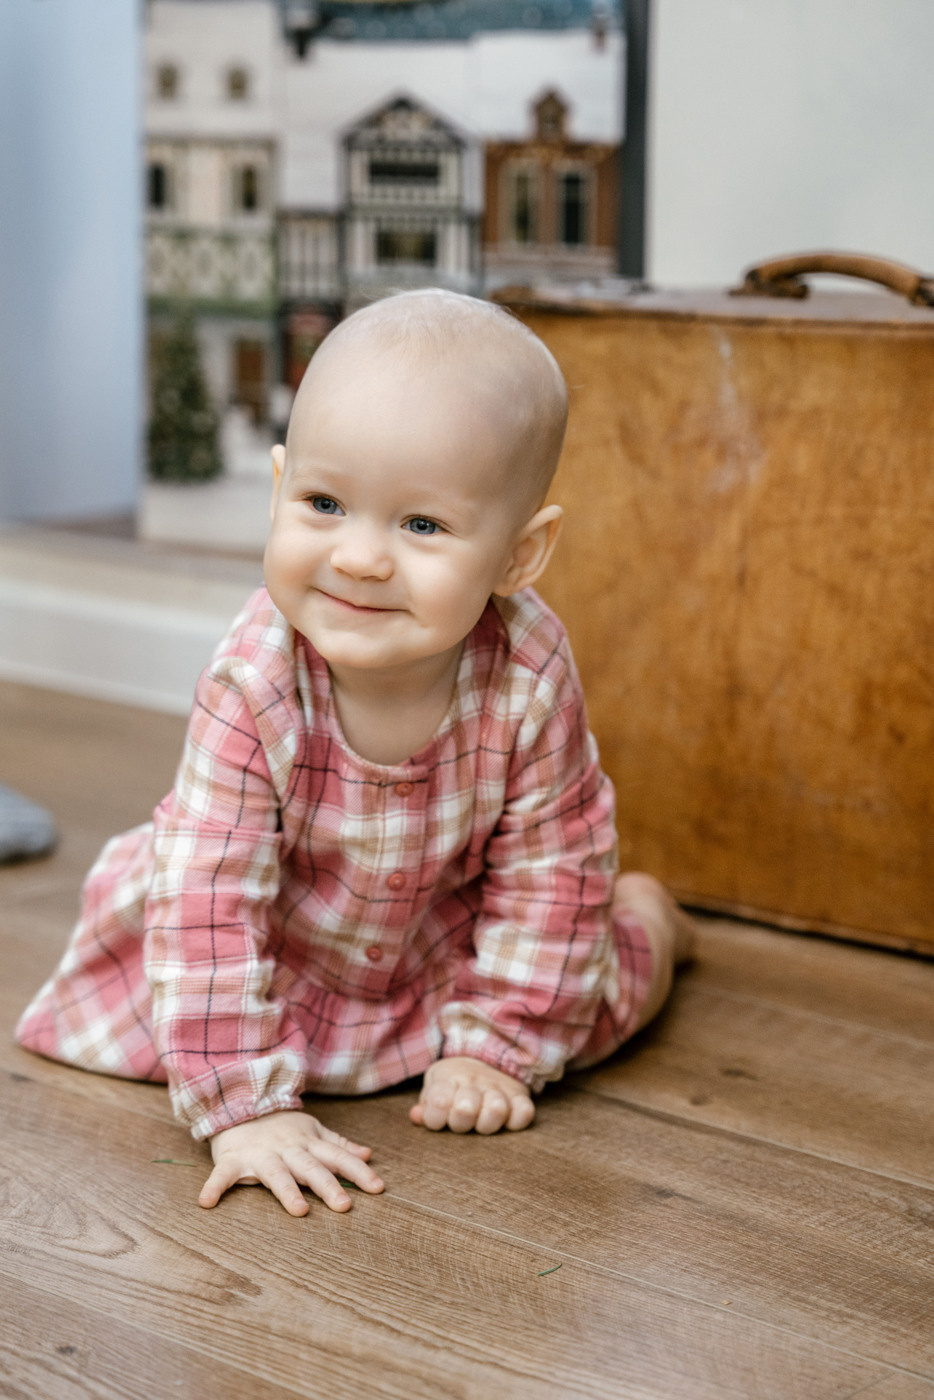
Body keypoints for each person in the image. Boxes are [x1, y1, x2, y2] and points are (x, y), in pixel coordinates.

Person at [16, 290, 694, 1218]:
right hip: (271, 954)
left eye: (422, 526)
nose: (361, 558)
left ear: (517, 558)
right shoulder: (254, 680)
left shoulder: (529, 672)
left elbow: (552, 862)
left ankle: (653, 919)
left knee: (602, 996)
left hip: (438, 941)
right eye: (325, 504)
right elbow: (209, 895)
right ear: (278, 487)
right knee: (155, 1008)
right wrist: (243, 1104)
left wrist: (494, 1045)